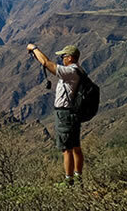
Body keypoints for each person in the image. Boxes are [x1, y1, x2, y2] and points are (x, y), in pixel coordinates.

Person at [26, 43, 85, 186]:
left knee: (67, 149)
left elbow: (46, 63)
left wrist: (34, 49)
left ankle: (68, 181)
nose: (62, 59)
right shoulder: (79, 70)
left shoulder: (70, 71)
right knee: (76, 146)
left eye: (63, 56)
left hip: (65, 114)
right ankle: (78, 177)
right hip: (73, 113)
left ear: (70, 58)